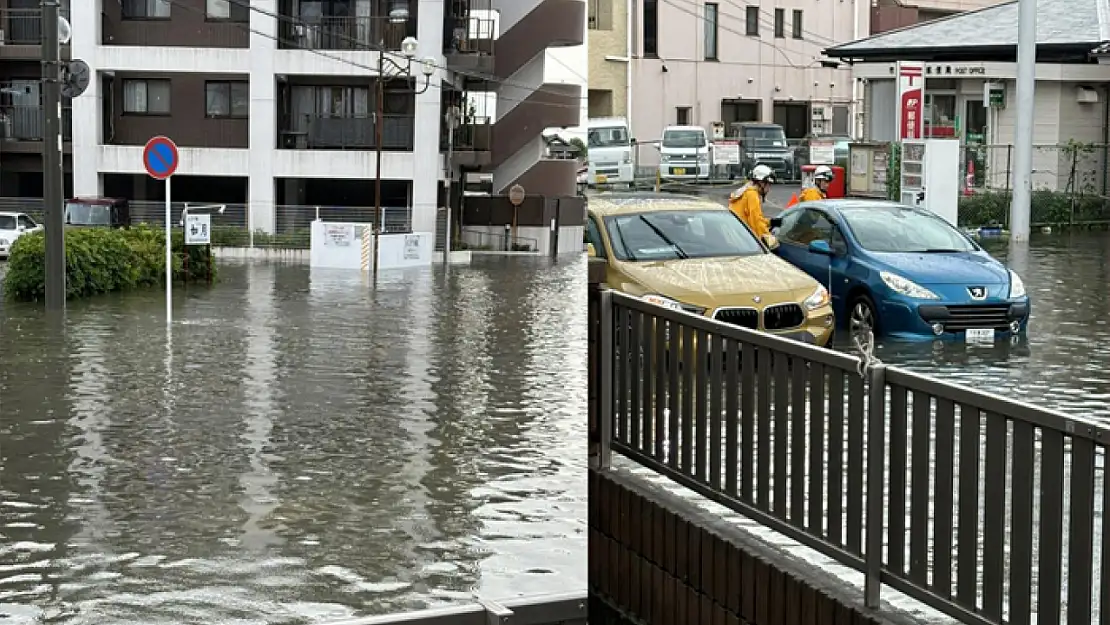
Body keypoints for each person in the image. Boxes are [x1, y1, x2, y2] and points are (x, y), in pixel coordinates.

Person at [729, 164, 778, 249]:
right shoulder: (752, 195)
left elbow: (751, 217)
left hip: (734, 238)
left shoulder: (744, 192)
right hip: (743, 242)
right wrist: (771, 242)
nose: (769, 188)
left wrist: (770, 222)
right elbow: (756, 222)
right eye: (769, 184)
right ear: (761, 183)